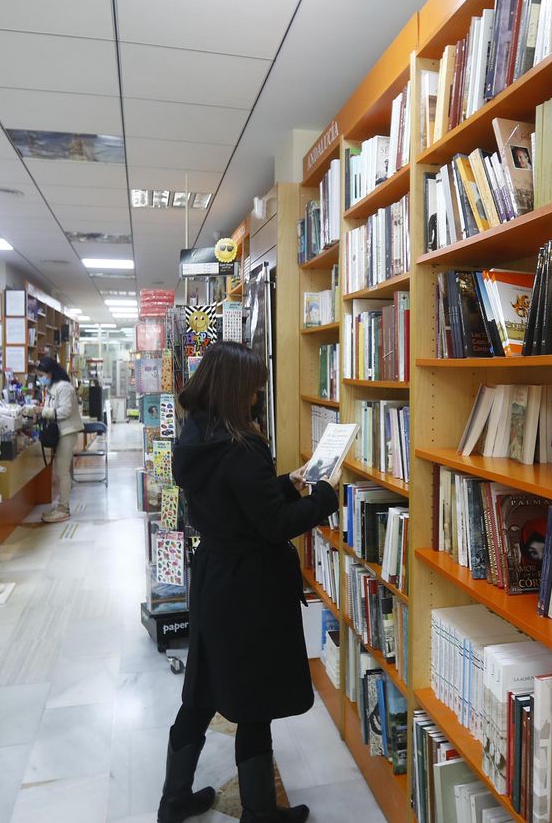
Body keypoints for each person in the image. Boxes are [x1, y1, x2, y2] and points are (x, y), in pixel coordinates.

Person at [161, 342, 341, 823]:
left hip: (214, 577)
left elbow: (238, 504)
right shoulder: (242, 445)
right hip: (250, 588)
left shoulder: (197, 436)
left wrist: (287, 482)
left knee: (201, 693)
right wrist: (325, 496)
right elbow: (274, 525)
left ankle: (173, 801)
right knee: (255, 698)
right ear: (237, 388)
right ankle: (259, 812)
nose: (259, 395)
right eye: (255, 387)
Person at [34, 355, 82, 524]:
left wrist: (43, 412)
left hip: (67, 431)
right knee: (60, 470)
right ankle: (61, 506)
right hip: (60, 431)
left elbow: (64, 411)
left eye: (42, 375)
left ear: (50, 373)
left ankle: (63, 509)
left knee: (62, 471)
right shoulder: (52, 388)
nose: (40, 379)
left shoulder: (64, 387)